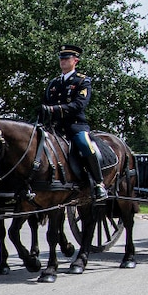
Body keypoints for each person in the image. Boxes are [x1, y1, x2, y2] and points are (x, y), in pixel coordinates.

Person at [41, 46, 106, 203]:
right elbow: (44, 104)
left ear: (75, 61)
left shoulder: (82, 81)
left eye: (66, 58)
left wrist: (54, 109)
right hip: (54, 128)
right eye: (61, 59)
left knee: (85, 144)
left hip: (75, 126)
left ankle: (98, 183)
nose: (63, 61)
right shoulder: (54, 83)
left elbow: (79, 105)